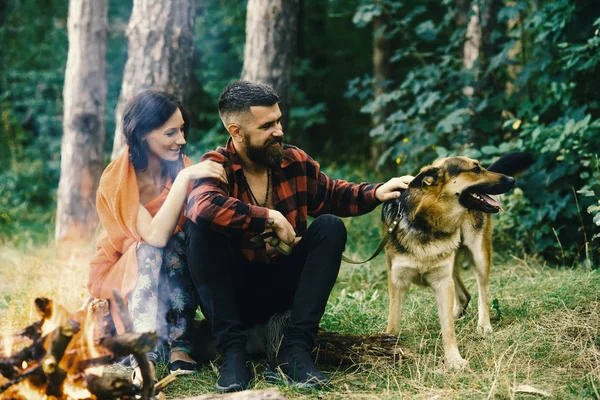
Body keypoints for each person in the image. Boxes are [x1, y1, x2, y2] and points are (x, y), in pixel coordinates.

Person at [184, 80, 412, 392]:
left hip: (281, 289)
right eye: (267, 126)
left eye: (278, 120)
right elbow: (201, 206)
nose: (278, 131)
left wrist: (377, 191)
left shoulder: (291, 160)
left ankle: (294, 350)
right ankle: (232, 353)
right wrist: (269, 217)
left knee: (329, 225)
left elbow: (331, 194)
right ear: (236, 132)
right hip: (233, 295)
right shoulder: (217, 165)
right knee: (199, 229)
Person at [88, 89, 227, 386]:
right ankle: (144, 356)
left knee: (179, 244)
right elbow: (153, 235)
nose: (182, 140)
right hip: (126, 272)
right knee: (150, 248)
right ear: (143, 134)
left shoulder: (182, 167)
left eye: (182, 130)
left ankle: (181, 344)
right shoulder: (118, 178)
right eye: (170, 132)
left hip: (174, 272)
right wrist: (186, 180)